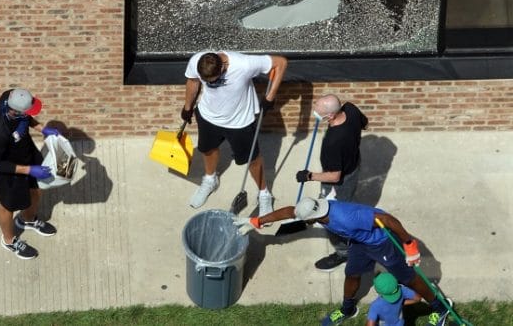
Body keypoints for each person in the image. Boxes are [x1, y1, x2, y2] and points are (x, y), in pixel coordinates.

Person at [232, 198, 450, 326]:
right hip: (360, 242)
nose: (299, 218)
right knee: (352, 274)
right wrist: (258, 221)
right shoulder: (318, 208)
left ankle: (440, 307)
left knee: (409, 278)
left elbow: (386, 219)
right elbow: (290, 211)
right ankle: (348, 309)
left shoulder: (348, 216)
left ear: (312, 218)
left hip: (381, 242)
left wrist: (409, 244)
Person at [181, 51, 288, 216]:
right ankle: (210, 180)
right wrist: (187, 107)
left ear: (223, 67)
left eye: (214, 80)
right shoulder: (197, 61)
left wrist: (270, 97)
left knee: (253, 160)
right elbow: (193, 82)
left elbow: (280, 63)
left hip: (240, 122)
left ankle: (264, 193)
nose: (211, 84)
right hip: (209, 116)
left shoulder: (244, 64)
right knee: (208, 150)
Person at [295, 94, 368, 271]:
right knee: (347, 202)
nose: (315, 113)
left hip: (340, 181)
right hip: (354, 165)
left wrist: (309, 176)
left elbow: (335, 177)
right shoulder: (351, 108)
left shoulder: (333, 142)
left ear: (330, 116)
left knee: (332, 216)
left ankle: (344, 252)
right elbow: (365, 123)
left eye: (318, 112)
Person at [0, 88, 61, 260]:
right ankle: (9, 240)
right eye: (27, 110)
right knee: (7, 206)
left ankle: (27, 220)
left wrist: (42, 129)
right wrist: (28, 170)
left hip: (28, 154)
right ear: (15, 111)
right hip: (10, 170)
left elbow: (27, 117)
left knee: (36, 189)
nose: (29, 113)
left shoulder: (11, 95)